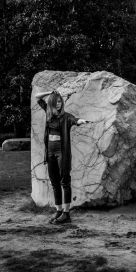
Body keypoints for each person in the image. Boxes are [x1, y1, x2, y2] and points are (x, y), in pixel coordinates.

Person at [34, 90, 90, 225]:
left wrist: (81, 121)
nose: (59, 104)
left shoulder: (66, 117)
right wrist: (50, 92)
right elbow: (37, 97)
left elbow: (74, 120)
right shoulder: (49, 114)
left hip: (62, 154)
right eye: (56, 102)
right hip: (50, 153)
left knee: (65, 182)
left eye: (60, 101)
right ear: (51, 103)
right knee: (55, 183)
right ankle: (58, 211)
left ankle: (66, 213)